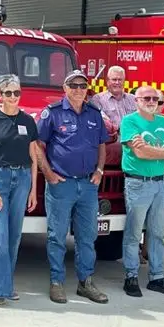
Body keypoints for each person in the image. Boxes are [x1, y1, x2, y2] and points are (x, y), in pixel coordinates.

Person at [33, 70, 110, 305]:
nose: (78, 89)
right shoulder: (53, 113)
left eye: (82, 85)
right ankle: (57, 282)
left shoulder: (95, 113)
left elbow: (101, 144)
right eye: (73, 85)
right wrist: (48, 173)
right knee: (57, 236)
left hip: (88, 185)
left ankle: (85, 282)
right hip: (61, 184)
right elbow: (37, 145)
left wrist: (99, 171)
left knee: (88, 236)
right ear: (65, 88)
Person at [0, 74, 39, 309]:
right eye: (8, 93)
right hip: (0, 178)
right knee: (0, 239)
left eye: (17, 92)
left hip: (22, 178)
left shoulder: (28, 121)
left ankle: (7, 286)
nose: (13, 97)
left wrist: (33, 189)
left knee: (14, 238)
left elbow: (33, 156)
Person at [119, 85, 164, 298]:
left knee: (158, 232)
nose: (151, 101)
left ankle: (156, 277)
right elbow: (139, 152)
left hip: (160, 184)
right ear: (136, 100)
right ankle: (131, 276)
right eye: (146, 97)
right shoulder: (129, 121)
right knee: (134, 233)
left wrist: (152, 150)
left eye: (155, 98)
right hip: (138, 183)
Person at [91, 66, 138, 131]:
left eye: (120, 80)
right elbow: (101, 123)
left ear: (124, 81)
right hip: (111, 139)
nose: (117, 82)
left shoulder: (133, 99)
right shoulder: (98, 99)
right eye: (114, 79)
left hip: (132, 138)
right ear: (107, 81)